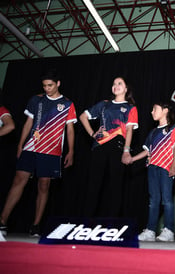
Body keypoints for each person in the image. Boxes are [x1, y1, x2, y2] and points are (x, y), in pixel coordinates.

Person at [0, 70, 77, 237]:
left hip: (52, 151)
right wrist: (21, 145)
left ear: (58, 84)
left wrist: (71, 151)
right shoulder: (36, 99)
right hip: (31, 147)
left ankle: (35, 225)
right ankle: (2, 221)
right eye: (44, 86)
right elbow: (28, 123)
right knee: (18, 180)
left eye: (50, 85)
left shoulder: (68, 104)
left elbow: (70, 129)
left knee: (44, 185)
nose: (47, 88)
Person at [80, 76, 138, 218]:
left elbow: (129, 130)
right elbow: (83, 117)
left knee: (115, 186)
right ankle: (87, 221)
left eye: (120, 83)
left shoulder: (131, 108)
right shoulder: (104, 104)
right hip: (99, 146)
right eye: (113, 84)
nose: (116, 85)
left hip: (117, 147)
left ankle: (112, 223)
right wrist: (93, 134)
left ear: (126, 89)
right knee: (94, 185)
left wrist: (126, 150)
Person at [132, 102, 175, 242]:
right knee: (153, 200)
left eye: (155, 109)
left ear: (165, 110)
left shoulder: (172, 129)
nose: (152, 112)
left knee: (167, 199)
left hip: (166, 167)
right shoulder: (153, 132)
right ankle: (150, 230)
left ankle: (169, 230)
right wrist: (132, 158)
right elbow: (147, 151)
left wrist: (174, 165)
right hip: (152, 167)